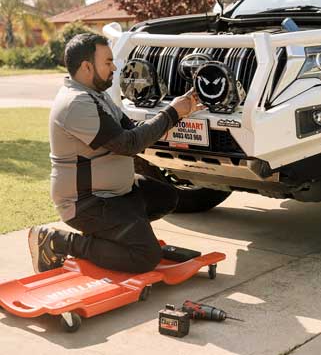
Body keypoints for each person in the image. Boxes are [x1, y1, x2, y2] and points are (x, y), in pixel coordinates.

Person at [28, 33, 204, 274]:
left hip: (114, 194)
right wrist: (172, 113)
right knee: (145, 256)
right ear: (87, 66)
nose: (114, 67)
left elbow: (132, 130)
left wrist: (178, 113)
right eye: (108, 62)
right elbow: (128, 144)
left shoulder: (96, 95)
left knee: (166, 196)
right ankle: (59, 241)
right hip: (86, 202)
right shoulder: (76, 103)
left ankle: (115, 235)